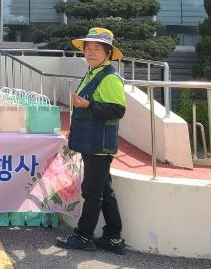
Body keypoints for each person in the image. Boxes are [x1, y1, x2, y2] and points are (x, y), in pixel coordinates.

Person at [55, 27, 126, 255]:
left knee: (92, 191)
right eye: (88, 48)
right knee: (104, 189)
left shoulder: (110, 77)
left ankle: (84, 236)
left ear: (108, 53)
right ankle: (114, 238)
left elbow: (118, 110)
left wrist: (89, 105)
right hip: (92, 141)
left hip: (99, 144)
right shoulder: (92, 72)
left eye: (97, 48)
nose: (91, 52)